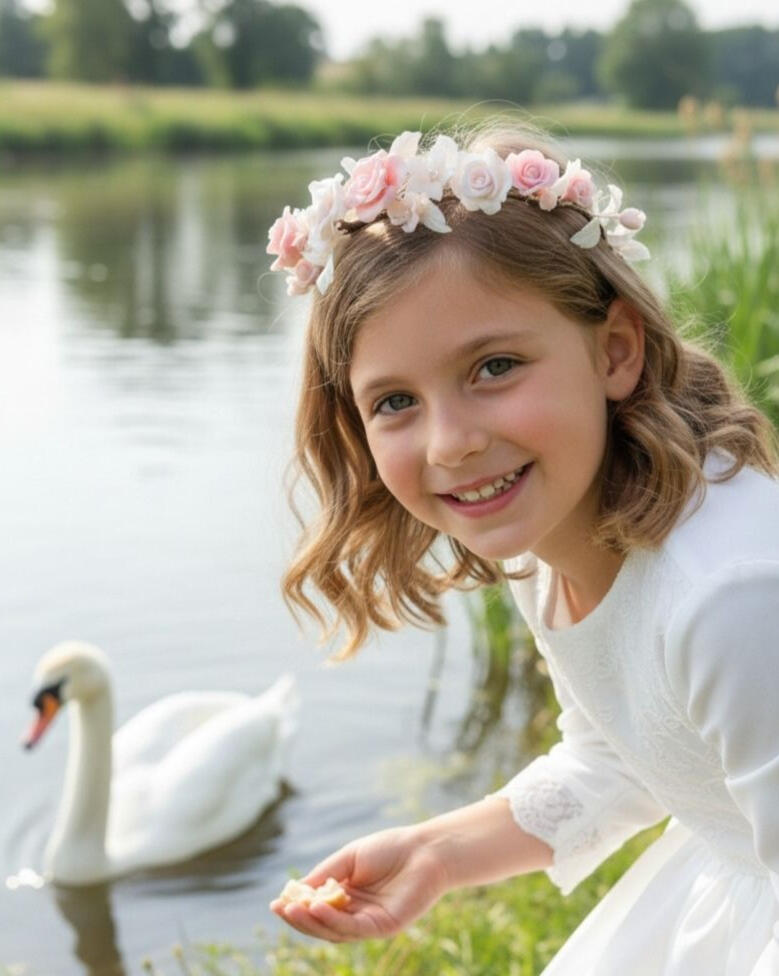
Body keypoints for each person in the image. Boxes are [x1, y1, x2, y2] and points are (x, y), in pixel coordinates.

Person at [264, 119, 779, 973]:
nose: (451, 443)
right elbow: (626, 757)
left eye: (494, 367)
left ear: (614, 350)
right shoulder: (547, 538)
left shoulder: (733, 596)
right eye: (395, 402)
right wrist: (435, 853)